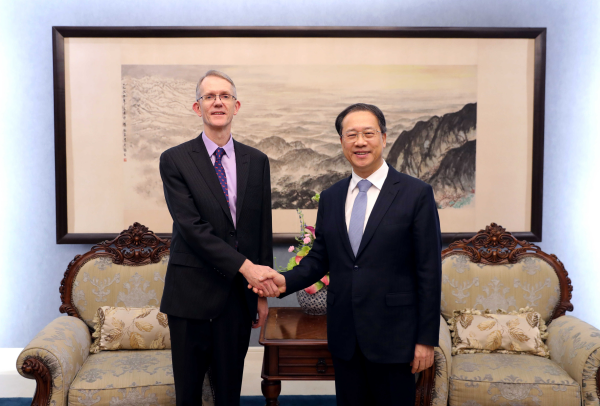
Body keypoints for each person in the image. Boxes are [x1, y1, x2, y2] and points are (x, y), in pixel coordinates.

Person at [252, 103, 442, 405]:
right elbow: (320, 259)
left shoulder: (415, 193)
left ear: (384, 138)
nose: (360, 142)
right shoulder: (332, 196)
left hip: (395, 337)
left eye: (368, 133)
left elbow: (429, 271)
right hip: (346, 337)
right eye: (351, 135)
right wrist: (283, 281)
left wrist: (426, 340)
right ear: (342, 142)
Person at [159, 70, 278, 406]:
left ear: (236, 106)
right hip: (190, 296)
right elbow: (192, 228)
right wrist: (247, 268)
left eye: (225, 96)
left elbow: (261, 229)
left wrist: (262, 293)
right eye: (209, 96)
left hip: (237, 297)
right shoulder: (175, 160)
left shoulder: (257, 161)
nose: (217, 102)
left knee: (229, 394)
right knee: (188, 396)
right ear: (197, 107)